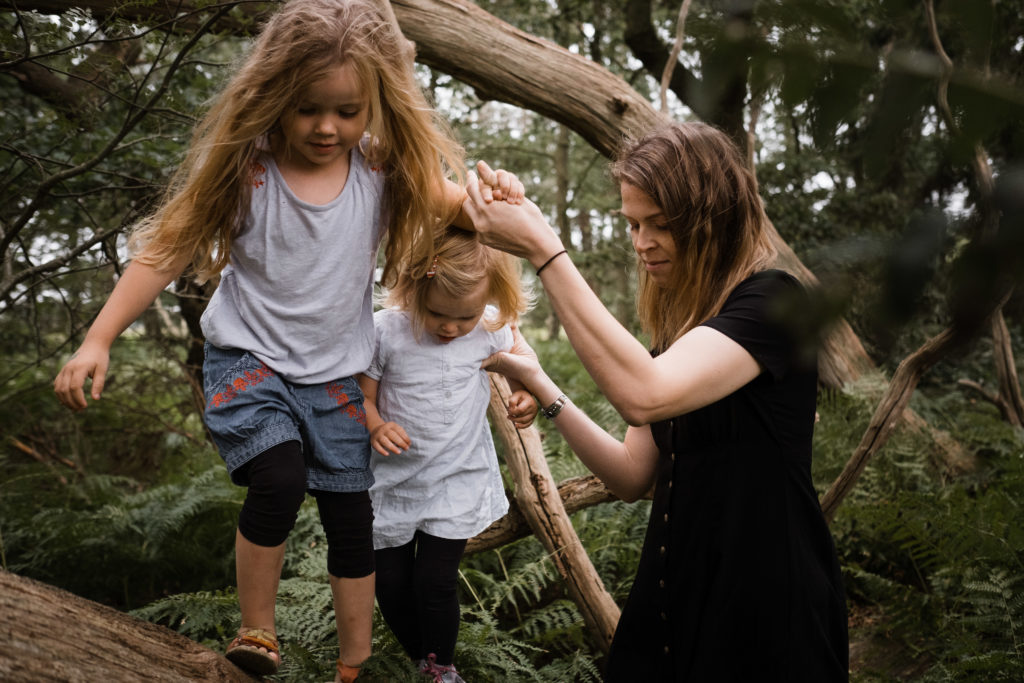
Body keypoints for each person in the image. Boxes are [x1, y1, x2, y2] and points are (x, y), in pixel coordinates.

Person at [52, 1, 521, 681]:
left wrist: (498, 190)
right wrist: (97, 339)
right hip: (251, 362)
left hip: (335, 376)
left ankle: (353, 663)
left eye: (347, 111)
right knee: (278, 478)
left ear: (374, 105)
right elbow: (167, 248)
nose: (327, 126)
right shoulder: (246, 170)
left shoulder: (380, 172)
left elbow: (467, 208)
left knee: (351, 518)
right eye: (307, 109)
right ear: (272, 95)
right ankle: (259, 632)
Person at [463, 122, 849, 681]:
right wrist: (544, 386)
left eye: (661, 225)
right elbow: (631, 476)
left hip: (764, 609)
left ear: (712, 221)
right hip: (674, 600)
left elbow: (645, 395)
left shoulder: (770, 304)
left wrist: (546, 249)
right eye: (634, 224)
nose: (642, 242)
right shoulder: (679, 336)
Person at [358, 226, 536, 683]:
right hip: (392, 482)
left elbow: (521, 357)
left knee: (435, 582)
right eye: (438, 314)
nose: (452, 328)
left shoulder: (490, 328)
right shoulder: (387, 332)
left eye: (466, 317)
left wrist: (523, 393)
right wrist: (375, 424)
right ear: (413, 289)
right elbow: (362, 396)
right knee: (391, 582)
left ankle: (441, 668)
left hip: (456, 477)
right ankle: (423, 656)